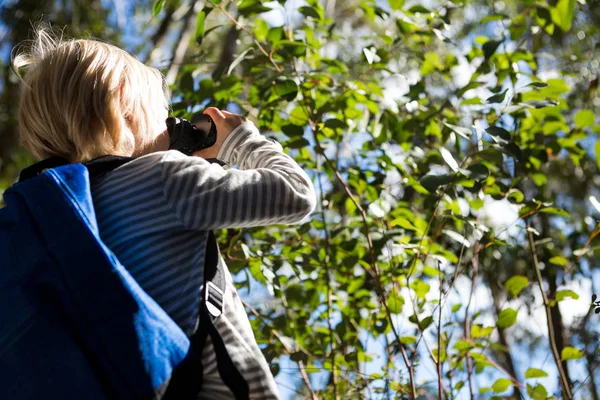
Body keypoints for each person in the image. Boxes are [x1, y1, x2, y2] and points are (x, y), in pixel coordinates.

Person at [12, 25, 316, 399]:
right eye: (163, 112)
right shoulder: (165, 177)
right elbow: (297, 194)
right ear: (124, 100)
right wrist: (241, 140)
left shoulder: (61, 217)